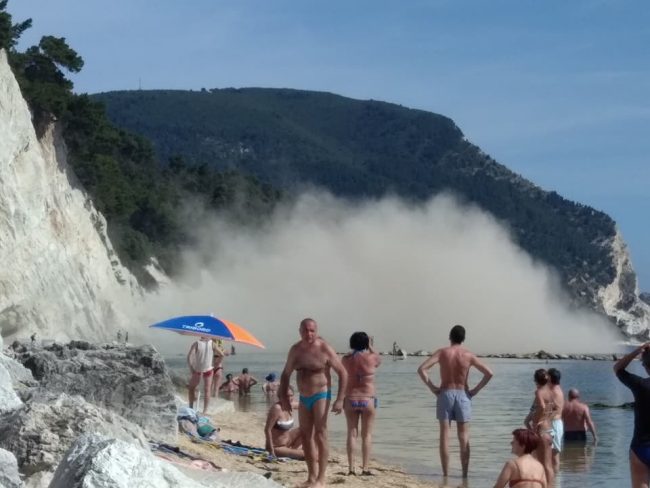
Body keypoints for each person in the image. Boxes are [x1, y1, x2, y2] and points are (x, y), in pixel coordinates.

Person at [278, 318, 348, 488]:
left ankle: (321, 479)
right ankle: (311, 477)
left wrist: (340, 399)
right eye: (305, 330)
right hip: (304, 396)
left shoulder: (324, 348)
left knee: (321, 434)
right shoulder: (295, 350)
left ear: (316, 331)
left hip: (321, 394)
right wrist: (283, 398)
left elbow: (343, 373)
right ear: (300, 331)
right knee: (306, 435)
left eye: (312, 330)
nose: (309, 334)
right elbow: (286, 374)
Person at [417, 324, 493, 478]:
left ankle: (446, 474)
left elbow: (422, 369)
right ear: (463, 339)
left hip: (445, 393)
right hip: (463, 394)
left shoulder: (443, 352)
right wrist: (475, 391)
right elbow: (489, 373)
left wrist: (432, 387)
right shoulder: (468, 355)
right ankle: (464, 475)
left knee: (445, 435)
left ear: (450, 337)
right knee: (464, 436)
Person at [342, 331, 381, 476]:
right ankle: (365, 468)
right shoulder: (372, 358)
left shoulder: (345, 359)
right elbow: (379, 360)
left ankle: (351, 468)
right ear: (366, 343)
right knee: (367, 435)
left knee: (352, 434)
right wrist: (370, 345)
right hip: (367, 398)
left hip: (351, 398)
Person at [614, 342, 650, 488]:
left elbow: (618, 368)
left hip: (641, 446)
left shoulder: (640, 385)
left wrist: (637, 350)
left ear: (645, 366)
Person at [524, 369, 555, 485]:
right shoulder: (550, 391)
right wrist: (546, 418)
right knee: (548, 465)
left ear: (535, 380)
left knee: (542, 464)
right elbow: (554, 408)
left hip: (541, 431)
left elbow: (541, 407)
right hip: (550, 429)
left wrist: (538, 421)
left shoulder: (539, 392)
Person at [264, 386, 304, 460]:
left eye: (291, 395)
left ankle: (294, 450)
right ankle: (295, 452)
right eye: (286, 396)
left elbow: (307, 405)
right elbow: (267, 429)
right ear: (280, 396)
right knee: (309, 454)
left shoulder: (291, 405)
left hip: (288, 441)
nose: (289, 398)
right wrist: (271, 450)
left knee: (306, 428)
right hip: (277, 446)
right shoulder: (277, 408)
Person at [186, 337, 213, 413]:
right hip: (208, 369)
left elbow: (189, 356)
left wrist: (191, 367)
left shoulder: (196, 343)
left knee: (191, 388)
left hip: (198, 370)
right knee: (207, 390)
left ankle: (191, 408)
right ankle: (205, 411)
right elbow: (221, 353)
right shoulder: (212, 343)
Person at [547, 368, 565, 473]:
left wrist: (543, 419)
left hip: (554, 423)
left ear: (549, 377)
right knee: (551, 453)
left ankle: (556, 481)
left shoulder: (554, 391)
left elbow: (556, 409)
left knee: (554, 455)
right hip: (555, 423)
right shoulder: (556, 389)